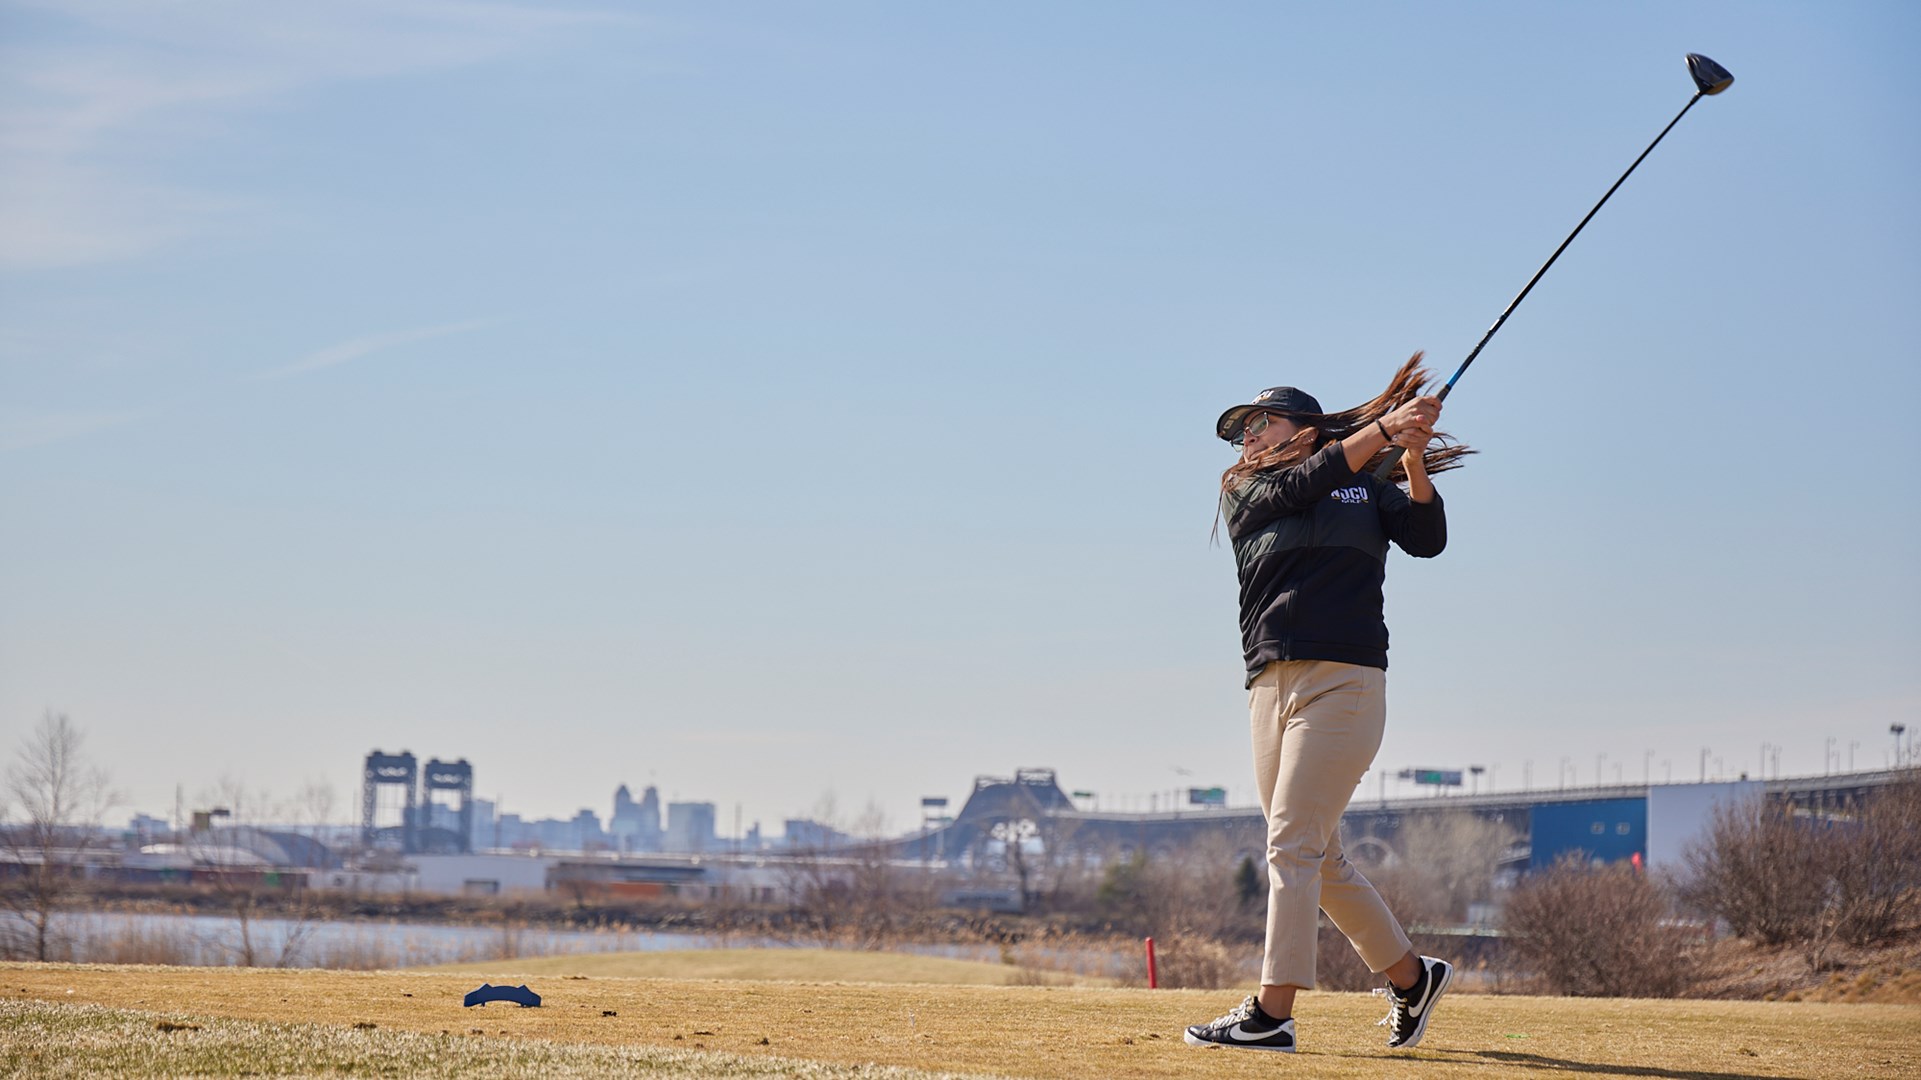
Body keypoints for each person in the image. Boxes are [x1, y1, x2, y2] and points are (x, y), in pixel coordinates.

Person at [1183, 354, 1472, 1054]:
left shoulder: (1365, 490)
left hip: (1344, 683)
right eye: (1242, 429)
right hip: (1267, 688)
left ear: (1306, 429)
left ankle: (1271, 1013)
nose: (1248, 437)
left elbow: (1427, 541)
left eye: (1262, 422)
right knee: (1320, 857)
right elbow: (1308, 481)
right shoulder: (1246, 489)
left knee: (1290, 844)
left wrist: (1411, 461)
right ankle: (1412, 978)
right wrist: (1383, 430)